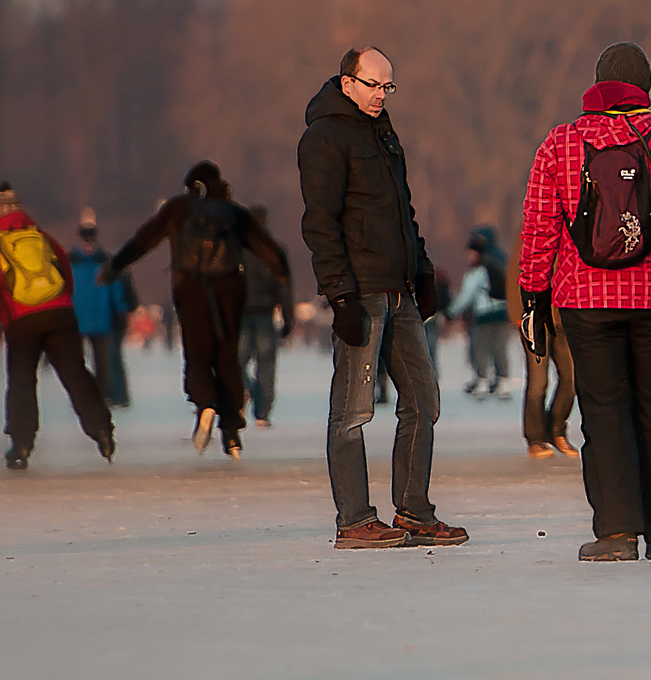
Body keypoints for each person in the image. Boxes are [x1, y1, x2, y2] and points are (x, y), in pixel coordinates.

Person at [517, 42, 651, 562]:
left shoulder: (559, 144)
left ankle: (617, 532)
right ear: (644, 88)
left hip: (586, 300)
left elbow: (539, 227)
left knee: (604, 412)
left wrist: (533, 299)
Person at [300, 46, 464, 550]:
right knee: (353, 410)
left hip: (400, 292)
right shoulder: (324, 137)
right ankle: (354, 520)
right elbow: (320, 224)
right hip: (361, 293)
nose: (380, 95)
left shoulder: (384, 132)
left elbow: (402, 210)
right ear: (347, 82)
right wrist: (341, 296)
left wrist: (422, 269)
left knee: (422, 401)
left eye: (388, 87)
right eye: (373, 85)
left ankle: (414, 510)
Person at [101, 162, 289, 460]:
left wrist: (115, 265)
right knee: (227, 355)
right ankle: (231, 431)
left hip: (191, 289)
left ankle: (205, 403)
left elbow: (144, 239)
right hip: (229, 289)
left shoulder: (178, 209)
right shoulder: (233, 211)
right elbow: (266, 248)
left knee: (198, 353)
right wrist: (281, 273)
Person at [0, 183, 115, 468]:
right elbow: (64, 273)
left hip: (22, 321)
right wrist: (62, 305)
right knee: (75, 374)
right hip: (59, 314)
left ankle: (21, 445)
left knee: (22, 381)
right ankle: (103, 432)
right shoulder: (42, 237)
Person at [67, 212, 136, 413]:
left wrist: (123, 309)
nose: (89, 243)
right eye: (85, 239)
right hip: (78, 319)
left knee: (104, 363)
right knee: (76, 364)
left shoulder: (104, 261)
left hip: (102, 319)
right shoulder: (71, 262)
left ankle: (106, 396)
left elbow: (116, 290)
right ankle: (83, 398)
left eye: (91, 239)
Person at [239, 204, 291, 427]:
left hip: (239, 314)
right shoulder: (275, 249)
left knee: (236, 362)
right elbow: (284, 286)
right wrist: (288, 317)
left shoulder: (236, 249)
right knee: (266, 364)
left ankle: (245, 389)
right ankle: (263, 411)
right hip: (265, 313)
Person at [519, 277, 579, 460]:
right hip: (536, 316)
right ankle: (535, 438)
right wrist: (517, 313)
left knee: (573, 378)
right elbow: (517, 271)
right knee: (538, 382)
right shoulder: (529, 246)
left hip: (566, 316)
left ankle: (556, 429)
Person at [452, 227, 512, 400]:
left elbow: (466, 296)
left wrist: (451, 312)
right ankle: (502, 383)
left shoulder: (477, 271)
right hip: (502, 312)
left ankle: (483, 381)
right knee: (500, 349)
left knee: (481, 349)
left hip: (484, 315)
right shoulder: (499, 260)